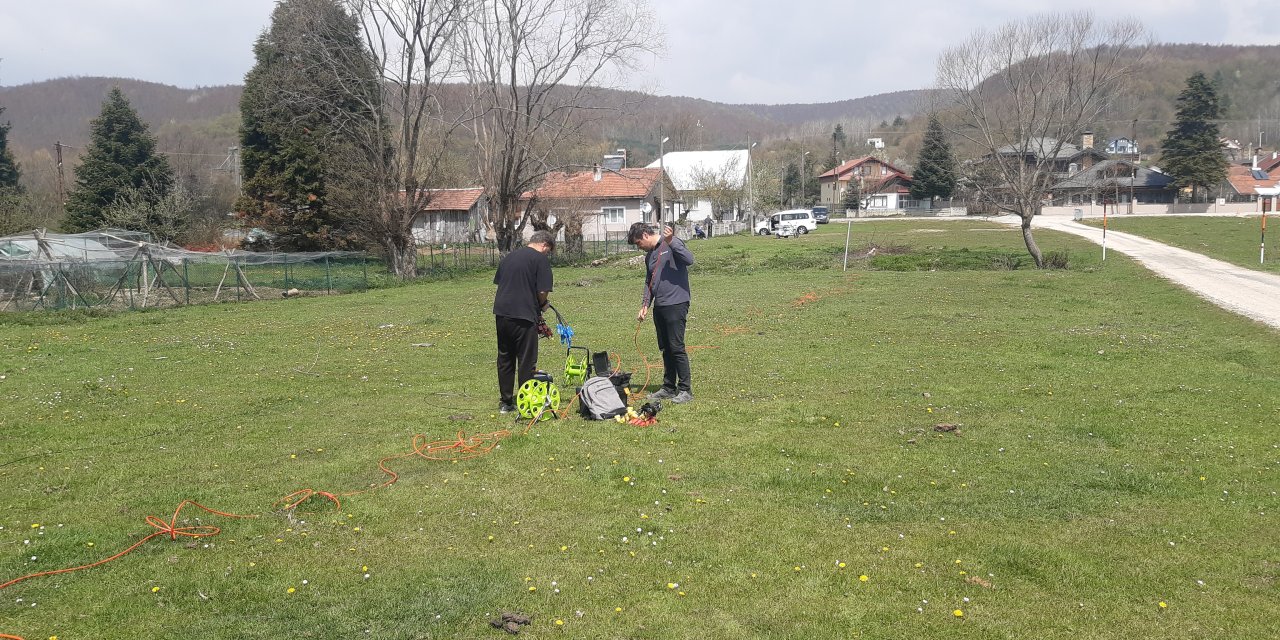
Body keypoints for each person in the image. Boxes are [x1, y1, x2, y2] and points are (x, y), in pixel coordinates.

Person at [628, 221, 694, 404]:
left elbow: (689, 260)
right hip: (660, 306)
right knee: (665, 348)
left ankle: (685, 390)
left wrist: (672, 241)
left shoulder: (672, 243)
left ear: (645, 236)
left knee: (677, 347)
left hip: (677, 303)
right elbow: (649, 281)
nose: (639, 248)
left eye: (638, 243)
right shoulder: (649, 256)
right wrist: (645, 304)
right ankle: (668, 388)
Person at [493, 230, 555, 413]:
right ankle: (526, 401)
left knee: (505, 356)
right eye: (548, 250)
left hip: (502, 312)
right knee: (526, 359)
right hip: (524, 314)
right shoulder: (540, 259)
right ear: (544, 245)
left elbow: (502, 282)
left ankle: (506, 402)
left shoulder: (509, 257)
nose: (547, 254)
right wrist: (542, 304)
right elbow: (543, 290)